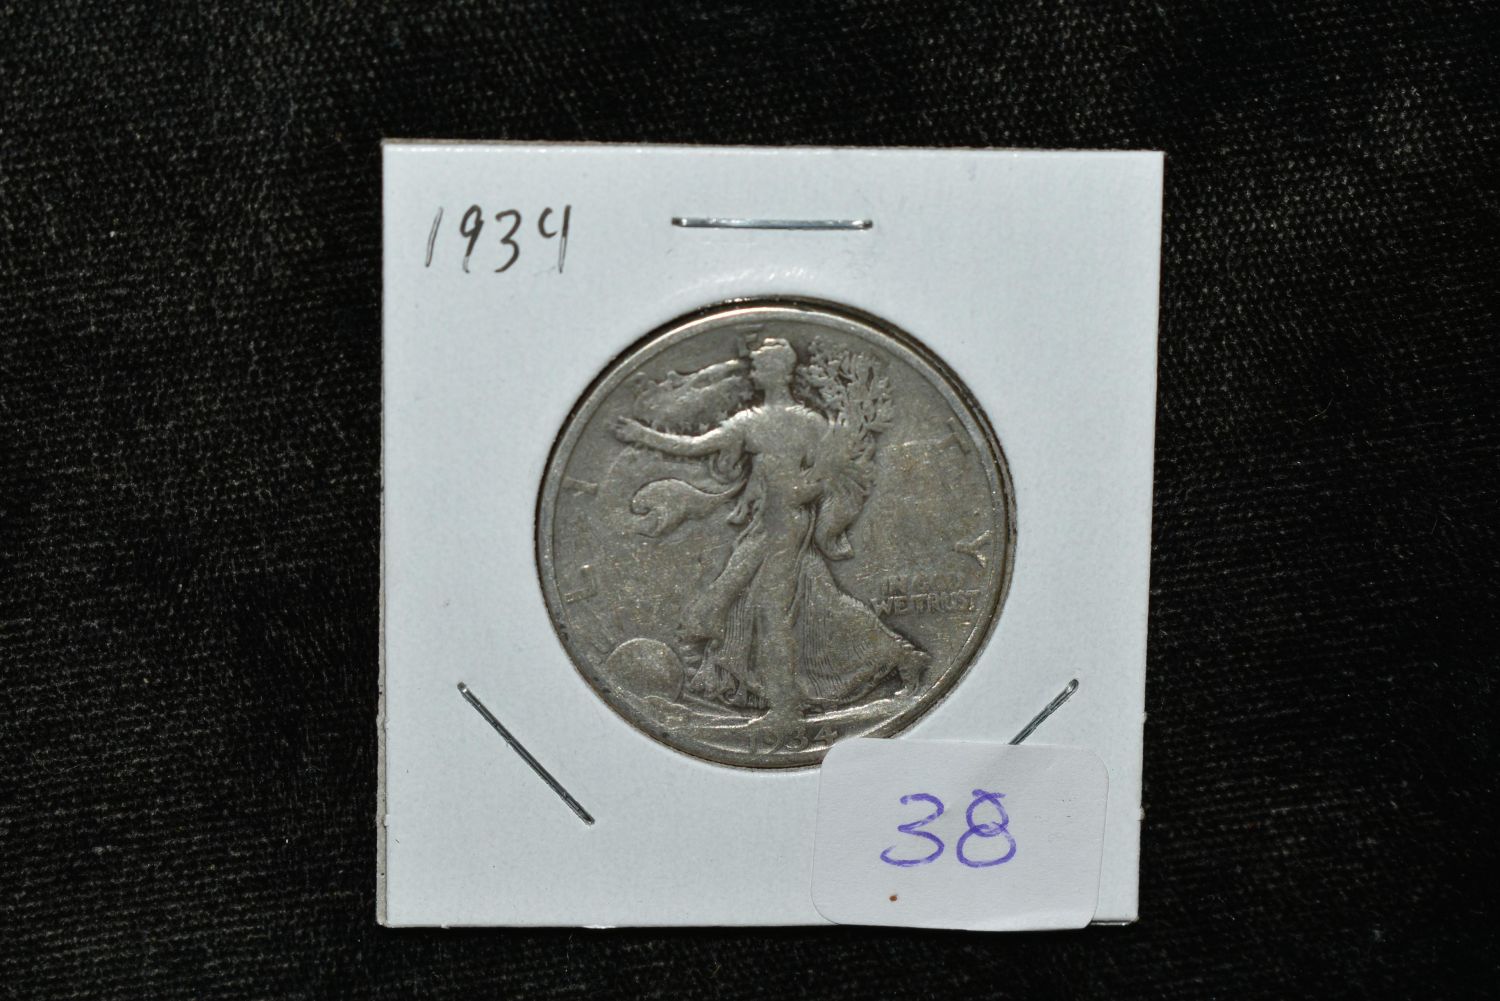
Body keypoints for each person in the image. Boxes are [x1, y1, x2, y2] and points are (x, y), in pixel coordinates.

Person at [613, 338, 926, 730]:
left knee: (769, 612)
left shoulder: (789, 423)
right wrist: (644, 436)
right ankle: (902, 657)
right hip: (768, 524)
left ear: (776, 371)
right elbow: (696, 447)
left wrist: (799, 492)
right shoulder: (776, 422)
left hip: (787, 526)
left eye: (759, 366)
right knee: (816, 602)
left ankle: (785, 707)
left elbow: (828, 476)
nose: (754, 372)